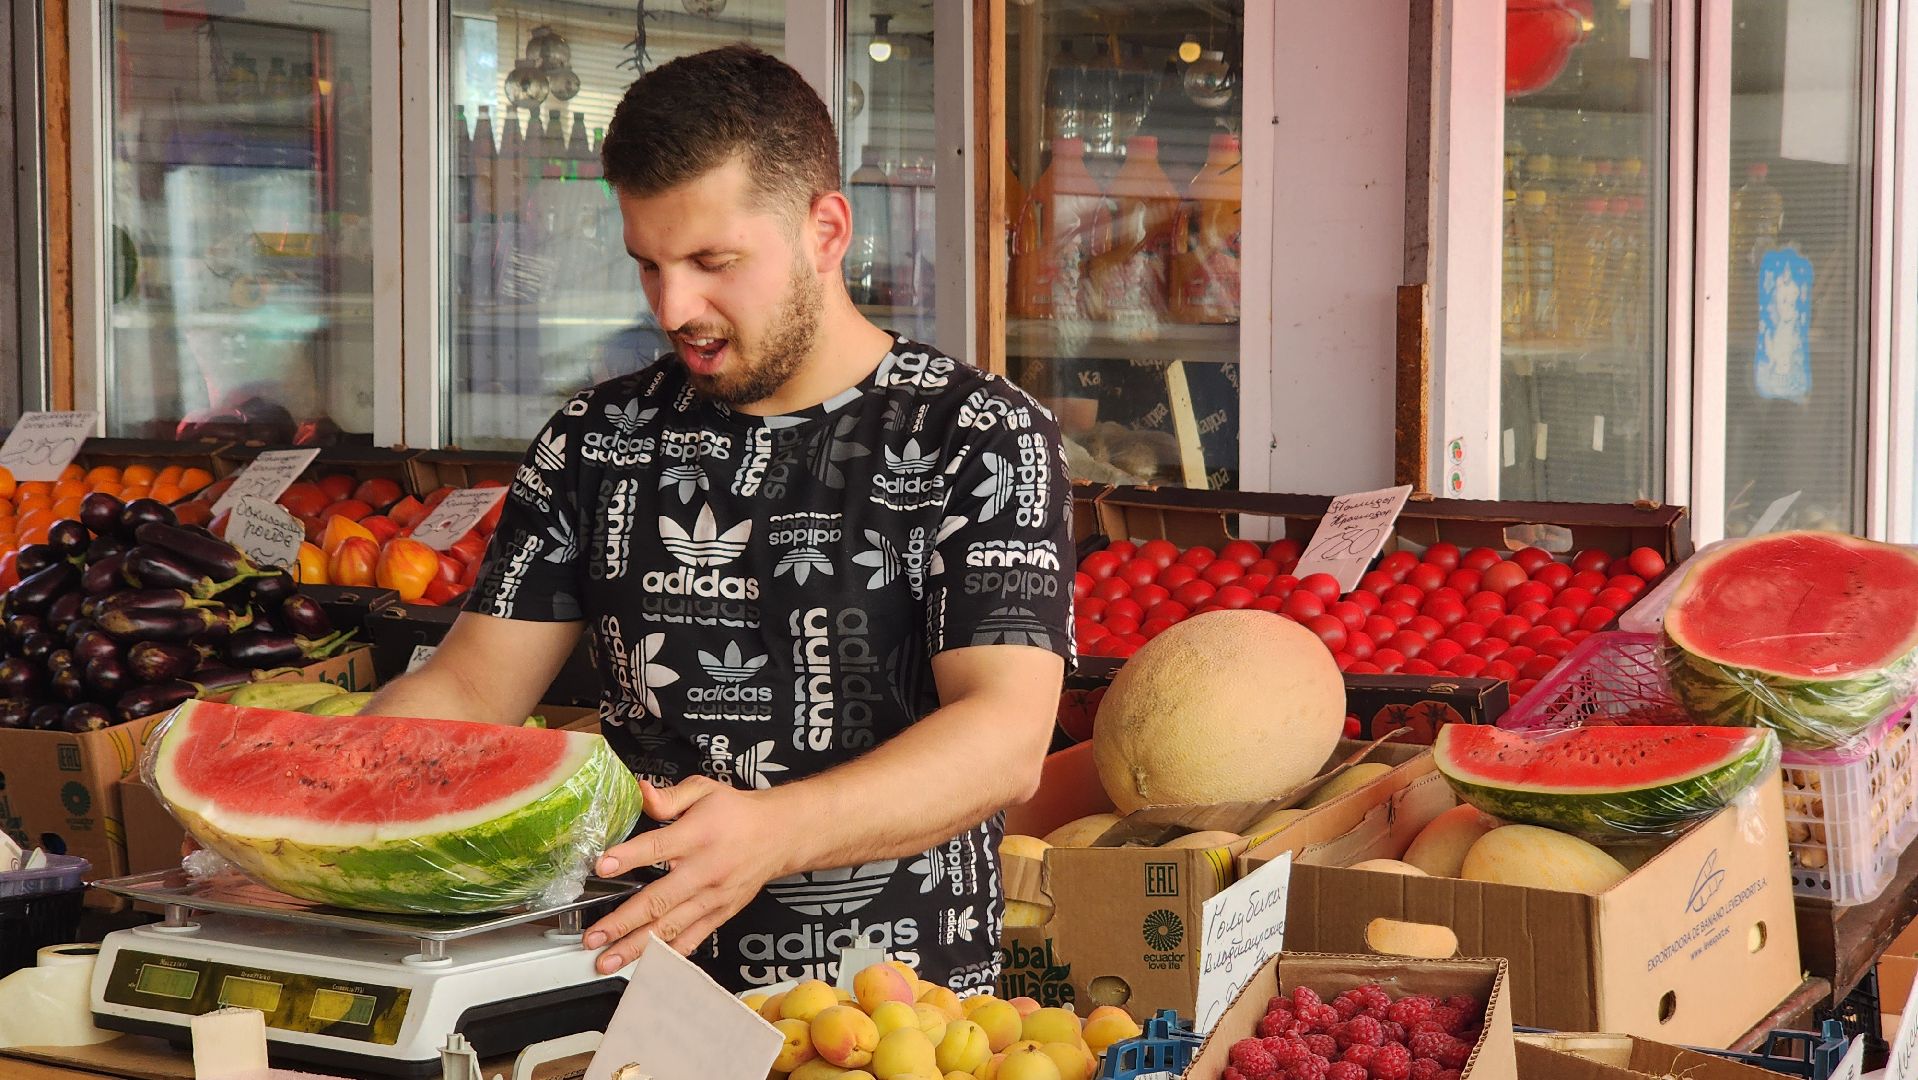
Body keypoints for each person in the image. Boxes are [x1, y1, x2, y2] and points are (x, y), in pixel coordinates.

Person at [365, 45, 1075, 996]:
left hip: (898, 1016)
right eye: (649, 265)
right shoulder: (596, 437)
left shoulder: (978, 433)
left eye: (713, 261)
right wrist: (342, 786)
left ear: (826, 229)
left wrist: (775, 832)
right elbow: (467, 688)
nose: (675, 307)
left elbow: (1006, 738)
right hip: (620, 995)